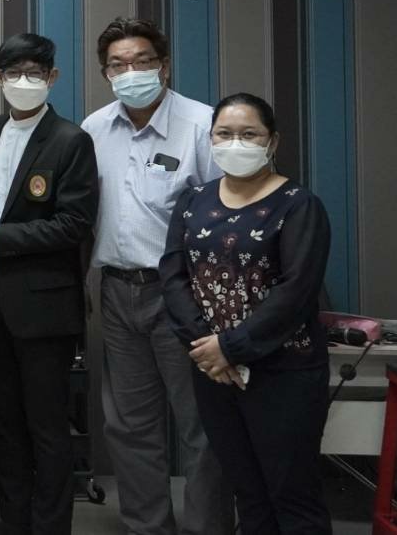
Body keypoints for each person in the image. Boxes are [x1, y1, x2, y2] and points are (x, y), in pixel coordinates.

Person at [80, 17, 233, 535]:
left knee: (201, 425)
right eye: (117, 65)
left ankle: (208, 528)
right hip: (116, 291)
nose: (131, 72)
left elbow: (229, 215)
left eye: (142, 61)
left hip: (185, 295)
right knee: (129, 426)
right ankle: (147, 527)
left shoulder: (202, 124)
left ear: (163, 66)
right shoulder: (94, 129)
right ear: (106, 73)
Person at [0, 33, 99, 535]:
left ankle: (50, 526)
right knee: (5, 421)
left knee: (47, 425)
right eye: (13, 73)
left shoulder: (70, 140)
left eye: (35, 73)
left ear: (52, 77)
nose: (23, 82)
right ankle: (14, 522)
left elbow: (73, 224)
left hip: (45, 305)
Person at [161, 94, 331, 535]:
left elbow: (297, 290)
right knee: (247, 493)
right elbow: (174, 276)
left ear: (272, 141)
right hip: (214, 372)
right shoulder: (193, 201)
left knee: (292, 495)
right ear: (210, 139)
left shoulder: (298, 205)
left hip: (283, 371)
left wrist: (231, 347)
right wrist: (207, 348)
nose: (235, 143)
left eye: (249, 134)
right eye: (224, 133)